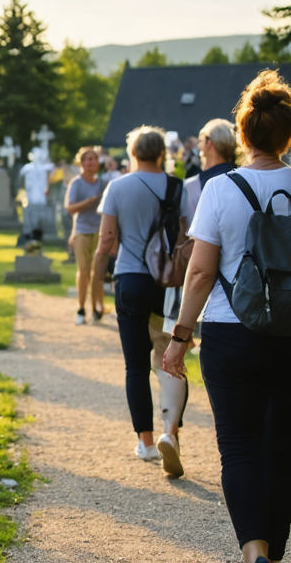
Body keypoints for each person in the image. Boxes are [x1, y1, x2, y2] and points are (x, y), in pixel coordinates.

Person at [162, 70, 291, 563]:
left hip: (229, 331)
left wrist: (180, 336)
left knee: (238, 447)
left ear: (241, 134)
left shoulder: (221, 190)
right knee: (283, 448)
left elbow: (198, 274)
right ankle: (275, 552)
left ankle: (254, 551)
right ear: (290, 134)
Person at [94, 126, 188, 475]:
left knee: (135, 364)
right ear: (163, 152)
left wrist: (96, 270)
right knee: (170, 359)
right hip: (167, 282)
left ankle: (146, 442)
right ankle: (171, 434)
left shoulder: (117, 186)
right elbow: (185, 235)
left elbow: (106, 237)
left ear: (133, 152)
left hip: (131, 277)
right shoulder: (178, 187)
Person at [65, 147, 107, 324]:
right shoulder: (76, 183)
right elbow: (70, 207)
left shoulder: (102, 184)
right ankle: (81, 308)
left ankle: (97, 306)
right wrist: (88, 202)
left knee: (98, 272)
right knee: (83, 270)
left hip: (99, 230)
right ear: (81, 163)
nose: (90, 163)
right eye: (87, 160)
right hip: (82, 230)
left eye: (93, 159)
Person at [182, 119, 239, 228]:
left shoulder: (192, 186)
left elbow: (191, 232)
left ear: (209, 143)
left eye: (200, 141)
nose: (198, 148)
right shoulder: (244, 178)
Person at [18, 150, 54, 244]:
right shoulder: (28, 168)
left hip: (41, 197)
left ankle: (37, 234)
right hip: (31, 197)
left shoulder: (44, 168)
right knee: (30, 218)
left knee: (38, 216)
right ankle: (29, 234)